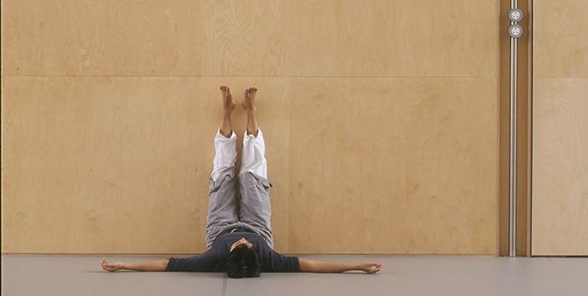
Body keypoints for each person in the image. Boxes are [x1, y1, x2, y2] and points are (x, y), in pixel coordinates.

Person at [102, 87, 382, 277]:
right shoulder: (265, 256)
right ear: (256, 253)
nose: (243, 239)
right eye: (249, 245)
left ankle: (227, 111)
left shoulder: (212, 258)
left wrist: (125, 265)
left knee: (222, 173)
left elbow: (168, 265)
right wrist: (355, 266)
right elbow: (308, 265)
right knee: (252, 175)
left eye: (240, 244)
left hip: (219, 226)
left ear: (228, 255)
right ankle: (251, 113)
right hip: (259, 225)